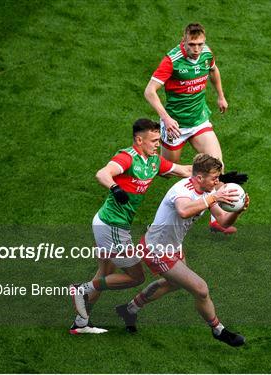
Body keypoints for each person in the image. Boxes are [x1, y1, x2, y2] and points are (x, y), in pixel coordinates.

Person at [69, 118, 192, 334]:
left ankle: (80, 323)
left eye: (159, 139)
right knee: (136, 276)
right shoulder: (127, 157)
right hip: (112, 226)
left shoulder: (154, 161)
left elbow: (184, 170)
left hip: (109, 224)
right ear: (139, 139)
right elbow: (102, 173)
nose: (158, 144)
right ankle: (81, 289)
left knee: (105, 272)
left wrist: (220, 178)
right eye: (154, 140)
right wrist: (116, 188)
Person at [115, 154, 249, 347]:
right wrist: (213, 197)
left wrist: (237, 211)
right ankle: (218, 330)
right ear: (200, 177)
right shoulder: (182, 190)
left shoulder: (207, 191)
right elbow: (184, 210)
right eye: (214, 178)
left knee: (174, 284)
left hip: (173, 246)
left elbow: (222, 221)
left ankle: (130, 309)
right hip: (156, 250)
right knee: (201, 289)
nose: (218, 181)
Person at [144, 23, 247, 234]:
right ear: (184, 41)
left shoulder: (207, 54)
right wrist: (166, 118)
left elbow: (213, 70)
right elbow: (149, 91)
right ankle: (194, 178)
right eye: (192, 45)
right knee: (165, 169)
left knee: (217, 166)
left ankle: (215, 219)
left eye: (200, 44)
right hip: (175, 125)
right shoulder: (171, 61)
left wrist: (220, 95)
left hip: (199, 120)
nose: (197, 49)